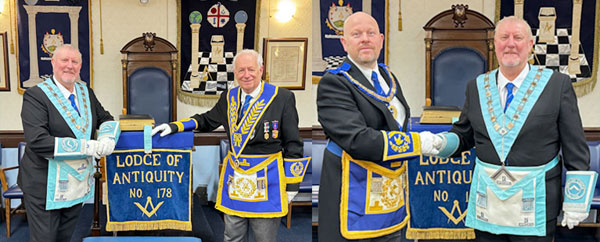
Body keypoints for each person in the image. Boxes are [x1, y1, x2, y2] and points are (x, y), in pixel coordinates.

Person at [433, 16, 593, 241]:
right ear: (495, 44)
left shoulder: (557, 85)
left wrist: (576, 201)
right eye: (504, 37)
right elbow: (464, 135)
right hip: (487, 203)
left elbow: (574, 146)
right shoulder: (477, 86)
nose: (510, 43)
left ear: (530, 45)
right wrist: (439, 143)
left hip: (536, 204)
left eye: (518, 38)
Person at [152, 49, 309, 242]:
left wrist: (292, 184)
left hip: (268, 181)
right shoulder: (229, 97)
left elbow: (293, 142)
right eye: (241, 70)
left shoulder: (281, 98)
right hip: (236, 178)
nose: (246, 75)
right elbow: (207, 120)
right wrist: (175, 126)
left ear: (260, 70)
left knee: (264, 238)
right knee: (232, 237)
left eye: (251, 69)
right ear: (235, 73)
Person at [316, 12, 441, 241]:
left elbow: (397, 125)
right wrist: (420, 143)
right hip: (352, 193)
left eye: (371, 33)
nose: (365, 39)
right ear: (344, 43)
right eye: (356, 34)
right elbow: (358, 141)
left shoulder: (388, 76)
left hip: (390, 194)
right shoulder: (334, 82)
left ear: (381, 40)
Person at [20, 44, 119, 242]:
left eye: (75, 62)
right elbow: (38, 141)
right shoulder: (36, 95)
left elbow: (106, 118)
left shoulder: (85, 92)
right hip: (44, 184)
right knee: (45, 239)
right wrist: (89, 146)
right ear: (53, 63)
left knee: (65, 237)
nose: (69, 66)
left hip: (77, 182)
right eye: (64, 60)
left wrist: (107, 137)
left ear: (80, 66)